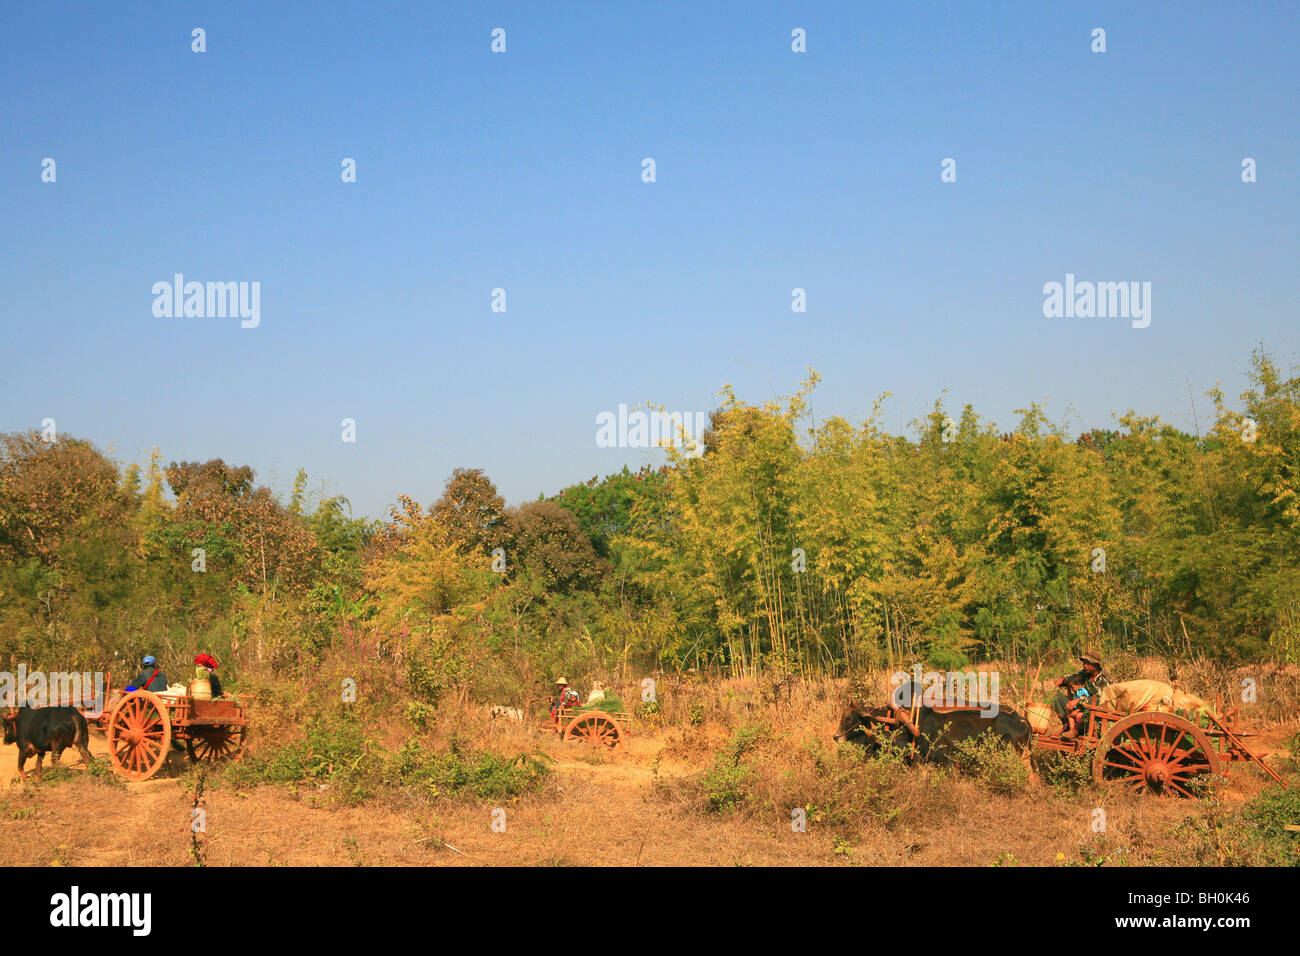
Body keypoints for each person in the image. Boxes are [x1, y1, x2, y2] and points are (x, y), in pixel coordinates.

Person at [1051, 648, 1110, 739]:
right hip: (1081, 706)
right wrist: (1063, 679)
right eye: (1084, 662)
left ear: (1096, 665)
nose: (1085, 665)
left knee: (1095, 701)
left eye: (1088, 663)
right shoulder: (1085, 673)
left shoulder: (1103, 679)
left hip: (1094, 709)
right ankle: (1067, 727)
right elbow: (1073, 678)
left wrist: (1078, 700)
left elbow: (1100, 699)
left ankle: (1076, 730)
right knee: (1058, 698)